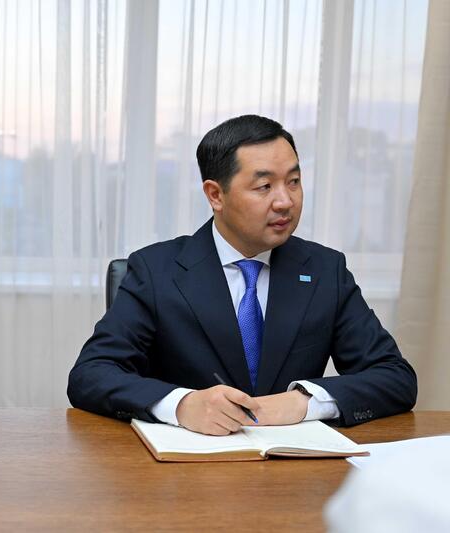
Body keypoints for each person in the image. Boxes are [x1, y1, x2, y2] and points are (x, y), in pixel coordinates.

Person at [68, 114, 417, 435]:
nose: (285, 201)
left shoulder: (325, 270)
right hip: (186, 466)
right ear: (215, 195)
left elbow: (394, 377)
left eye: (294, 181)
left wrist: (304, 401)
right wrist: (182, 404)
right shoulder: (156, 270)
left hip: (294, 465)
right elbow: (91, 374)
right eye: (264, 186)